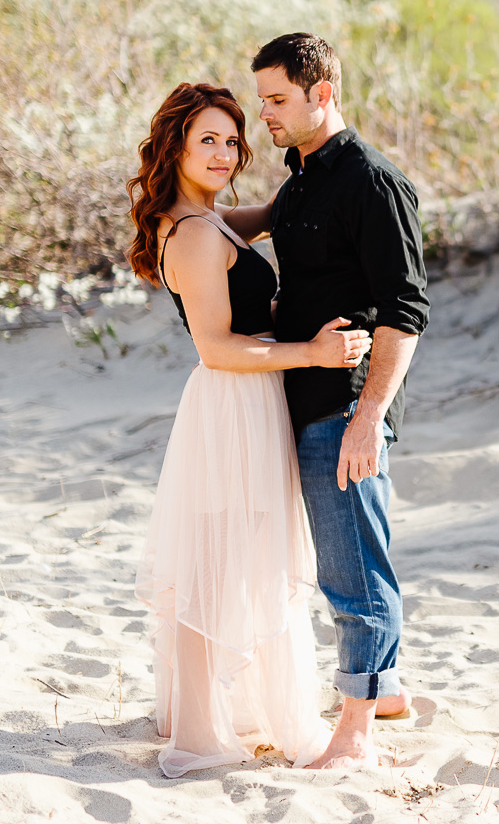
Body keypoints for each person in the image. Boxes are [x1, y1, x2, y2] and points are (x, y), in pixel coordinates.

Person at [125, 82, 372, 778]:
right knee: (220, 562)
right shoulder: (197, 234)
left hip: (251, 399)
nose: (225, 153)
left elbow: (277, 210)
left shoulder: (215, 219)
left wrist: (320, 161)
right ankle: (201, 732)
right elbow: (216, 347)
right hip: (232, 397)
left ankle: (223, 711)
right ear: (174, 145)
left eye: (233, 141)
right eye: (207, 139)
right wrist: (312, 353)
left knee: (243, 558)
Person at [217, 33, 429, 770]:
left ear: (322, 94)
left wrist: (368, 417)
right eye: (263, 99)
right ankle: (388, 689)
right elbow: (256, 224)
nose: (264, 113)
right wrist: (180, 215)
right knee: (345, 557)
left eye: (277, 99)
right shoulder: (302, 177)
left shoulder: (373, 182)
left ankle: (357, 733)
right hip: (301, 394)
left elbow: (406, 310)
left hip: (346, 403)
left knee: (353, 567)